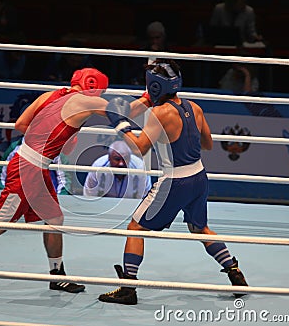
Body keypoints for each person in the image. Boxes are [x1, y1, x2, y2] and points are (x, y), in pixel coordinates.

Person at [0, 68, 151, 298]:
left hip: (35, 166)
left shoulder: (51, 95)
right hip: (27, 171)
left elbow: (21, 124)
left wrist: (52, 136)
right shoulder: (82, 101)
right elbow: (124, 111)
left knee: (54, 220)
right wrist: (151, 96)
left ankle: (56, 275)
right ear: (92, 86)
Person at [98, 60, 248, 305]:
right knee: (200, 228)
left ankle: (128, 288)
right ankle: (234, 270)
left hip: (174, 181)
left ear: (154, 86)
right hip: (198, 177)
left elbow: (140, 147)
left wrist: (122, 126)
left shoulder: (160, 113)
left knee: (135, 228)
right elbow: (208, 144)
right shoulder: (195, 107)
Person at [83, 140, 151, 199]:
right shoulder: (98, 167)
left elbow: (144, 196)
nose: (121, 164)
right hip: (103, 206)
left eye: (125, 159)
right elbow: (89, 195)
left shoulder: (140, 168)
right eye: (117, 159)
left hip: (131, 207)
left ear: (130, 158)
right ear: (109, 158)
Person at [127, 21, 168, 86]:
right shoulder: (142, 53)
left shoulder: (169, 53)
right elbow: (134, 73)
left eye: (157, 38)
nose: (154, 41)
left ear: (163, 37)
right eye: (152, 38)